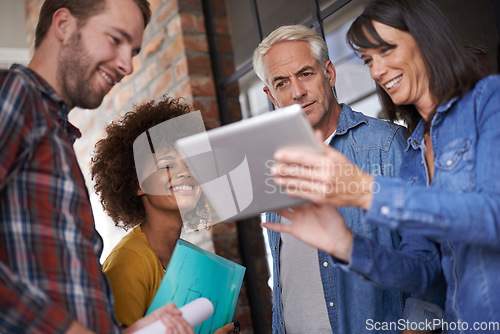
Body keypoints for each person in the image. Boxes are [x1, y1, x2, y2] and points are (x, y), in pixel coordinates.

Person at [264, 0, 500, 331]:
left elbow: (493, 215)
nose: (376, 71)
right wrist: (345, 244)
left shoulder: (490, 100)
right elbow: (424, 273)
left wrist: (367, 192)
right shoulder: (416, 156)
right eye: (368, 60)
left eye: (386, 51)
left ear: (426, 40)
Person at [0, 0, 193, 333]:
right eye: (115, 39)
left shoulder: (58, 133)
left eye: (132, 51)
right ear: (63, 25)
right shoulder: (15, 94)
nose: (126, 65)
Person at [253, 25, 442, 334]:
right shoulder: (275, 166)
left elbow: (430, 257)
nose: (297, 92)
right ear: (270, 95)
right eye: (282, 83)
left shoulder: (385, 144)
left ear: (329, 73)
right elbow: (284, 277)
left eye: (305, 74)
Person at [91, 96, 236, 333]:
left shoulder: (184, 258)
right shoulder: (128, 261)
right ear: (137, 184)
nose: (183, 173)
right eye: (166, 165)